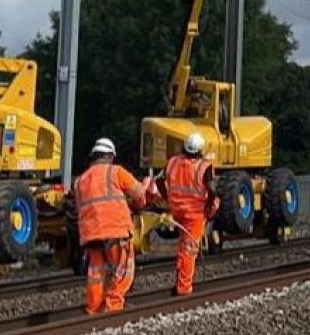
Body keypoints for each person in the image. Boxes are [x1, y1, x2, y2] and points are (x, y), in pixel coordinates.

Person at [73, 138, 148, 315]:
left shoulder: (79, 181)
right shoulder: (116, 172)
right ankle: (113, 306)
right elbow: (139, 192)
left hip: (91, 234)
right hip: (116, 231)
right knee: (124, 269)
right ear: (110, 156)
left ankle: (94, 309)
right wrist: (139, 203)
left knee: (95, 273)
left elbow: (80, 208)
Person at [160, 132, 216, 296]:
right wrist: (210, 204)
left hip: (176, 210)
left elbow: (158, 181)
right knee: (189, 250)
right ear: (200, 149)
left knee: (183, 247)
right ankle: (184, 288)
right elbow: (212, 189)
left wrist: (167, 198)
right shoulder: (204, 167)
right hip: (194, 214)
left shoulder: (172, 162)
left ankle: (179, 280)